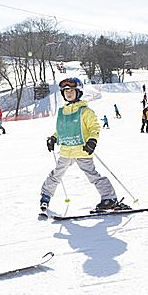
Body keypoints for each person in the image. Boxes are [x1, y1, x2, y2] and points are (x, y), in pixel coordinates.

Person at [40, 77, 118, 212]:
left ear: (79, 92)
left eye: (71, 90)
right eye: (65, 91)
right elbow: (61, 130)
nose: (68, 93)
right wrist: (53, 138)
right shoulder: (62, 112)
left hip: (82, 150)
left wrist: (92, 140)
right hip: (66, 151)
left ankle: (109, 198)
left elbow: (94, 128)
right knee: (56, 174)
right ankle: (46, 196)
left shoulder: (85, 111)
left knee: (92, 175)